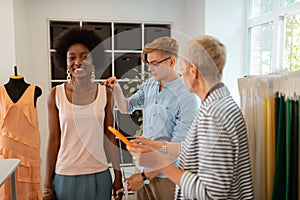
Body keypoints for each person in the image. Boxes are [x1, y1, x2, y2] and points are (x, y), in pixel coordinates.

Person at [127, 35, 254, 199]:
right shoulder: (220, 103)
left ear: (193, 71)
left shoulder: (213, 116)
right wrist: (153, 145)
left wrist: (159, 163)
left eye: (182, 67)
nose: (181, 74)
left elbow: (211, 194)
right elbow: (189, 149)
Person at [103, 36, 198, 200]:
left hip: (168, 176)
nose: (149, 68)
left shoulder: (187, 96)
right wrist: (116, 89)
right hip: (144, 168)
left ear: (171, 62)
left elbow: (177, 149)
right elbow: (126, 107)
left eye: (155, 63)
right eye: (148, 63)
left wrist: (144, 177)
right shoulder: (149, 85)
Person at [43, 27, 123, 200]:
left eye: (85, 56)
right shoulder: (55, 95)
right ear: (65, 62)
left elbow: (110, 136)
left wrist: (118, 175)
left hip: (99, 174)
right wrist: (47, 184)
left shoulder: (105, 94)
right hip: (66, 175)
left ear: (94, 61)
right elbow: (53, 139)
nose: (78, 62)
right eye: (72, 57)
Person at [0, 72, 42, 199]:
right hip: (8, 144)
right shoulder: (1, 91)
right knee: (8, 180)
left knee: (29, 180)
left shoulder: (35, 90)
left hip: (29, 144)